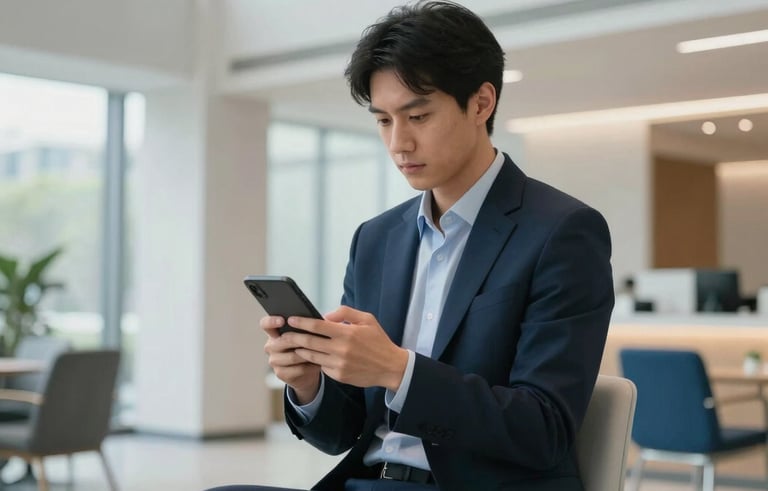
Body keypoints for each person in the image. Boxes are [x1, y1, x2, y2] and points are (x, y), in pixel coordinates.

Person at [209, 1, 613, 490]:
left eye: (417, 115)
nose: (398, 143)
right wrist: (309, 384)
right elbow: (343, 434)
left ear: (481, 103)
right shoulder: (376, 239)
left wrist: (399, 371)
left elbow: (543, 429)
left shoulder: (563, 232)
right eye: (383, 120)